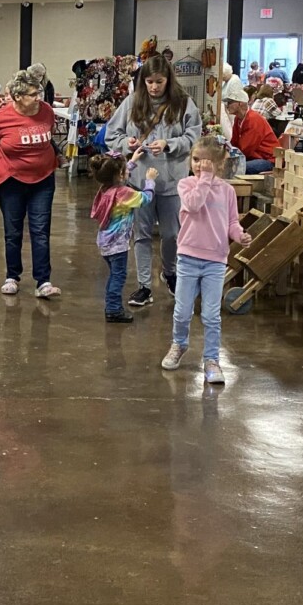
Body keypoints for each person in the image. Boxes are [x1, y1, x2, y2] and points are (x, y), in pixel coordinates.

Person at [104, 59, 200, 308]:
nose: (154, 87)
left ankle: (170, 273)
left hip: (171, 181)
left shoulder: (183, 103)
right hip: (138, 182)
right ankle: (144, 286)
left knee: (172, 234)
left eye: (159, 81)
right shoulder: (132, 102)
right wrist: (127, 144)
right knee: (141, 235)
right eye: (149, 82)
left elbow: (194, 136)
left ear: (168, 80)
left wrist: (170, 144)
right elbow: (112, 135)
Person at [161, 136, 251, 386]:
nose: (200, 165)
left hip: (215, 261)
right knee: (182, 311)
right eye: (196, 159)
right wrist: (205, 179)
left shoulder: (227, 191)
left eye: (207, 162)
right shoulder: (186, 185)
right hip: (188, 258)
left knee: (211, 315)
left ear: (219, 164)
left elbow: (232, 222)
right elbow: (193, 204)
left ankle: (211, 360)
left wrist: (239, 235)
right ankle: (179, 344)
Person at [0, 69, 61, 299]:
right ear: (17, 97)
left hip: (43, 178)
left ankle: (43, 281)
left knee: (40, 230)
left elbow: (50, 133)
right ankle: (12, 276)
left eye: (38, 93)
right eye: (32, 94)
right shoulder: (1, 118)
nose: (38, 98)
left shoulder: (46, 111)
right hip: (12, 180)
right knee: (13, 231)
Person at [90, 149, 156, 323]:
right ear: (120, 174)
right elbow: (145, 199)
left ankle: (112, 306)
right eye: (125, 169)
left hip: (105, 241)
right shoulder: (123, 193)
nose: (128, 171)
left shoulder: (106, 188)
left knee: (114, 274)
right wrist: (150, 181)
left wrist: (132, 161)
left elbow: (119, 176)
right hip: (118, 244)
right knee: (118, 277)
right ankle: (113, 309)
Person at [222, 76, 278, 173]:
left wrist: (227, 157)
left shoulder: (253, 120)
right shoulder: (238, 119)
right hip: (254, 157)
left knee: (235, 168)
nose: (227, 105)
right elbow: (234, 143)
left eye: (230, 102)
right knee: (227, 165)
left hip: (267, 159)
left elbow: (246, 149)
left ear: (240, 103)